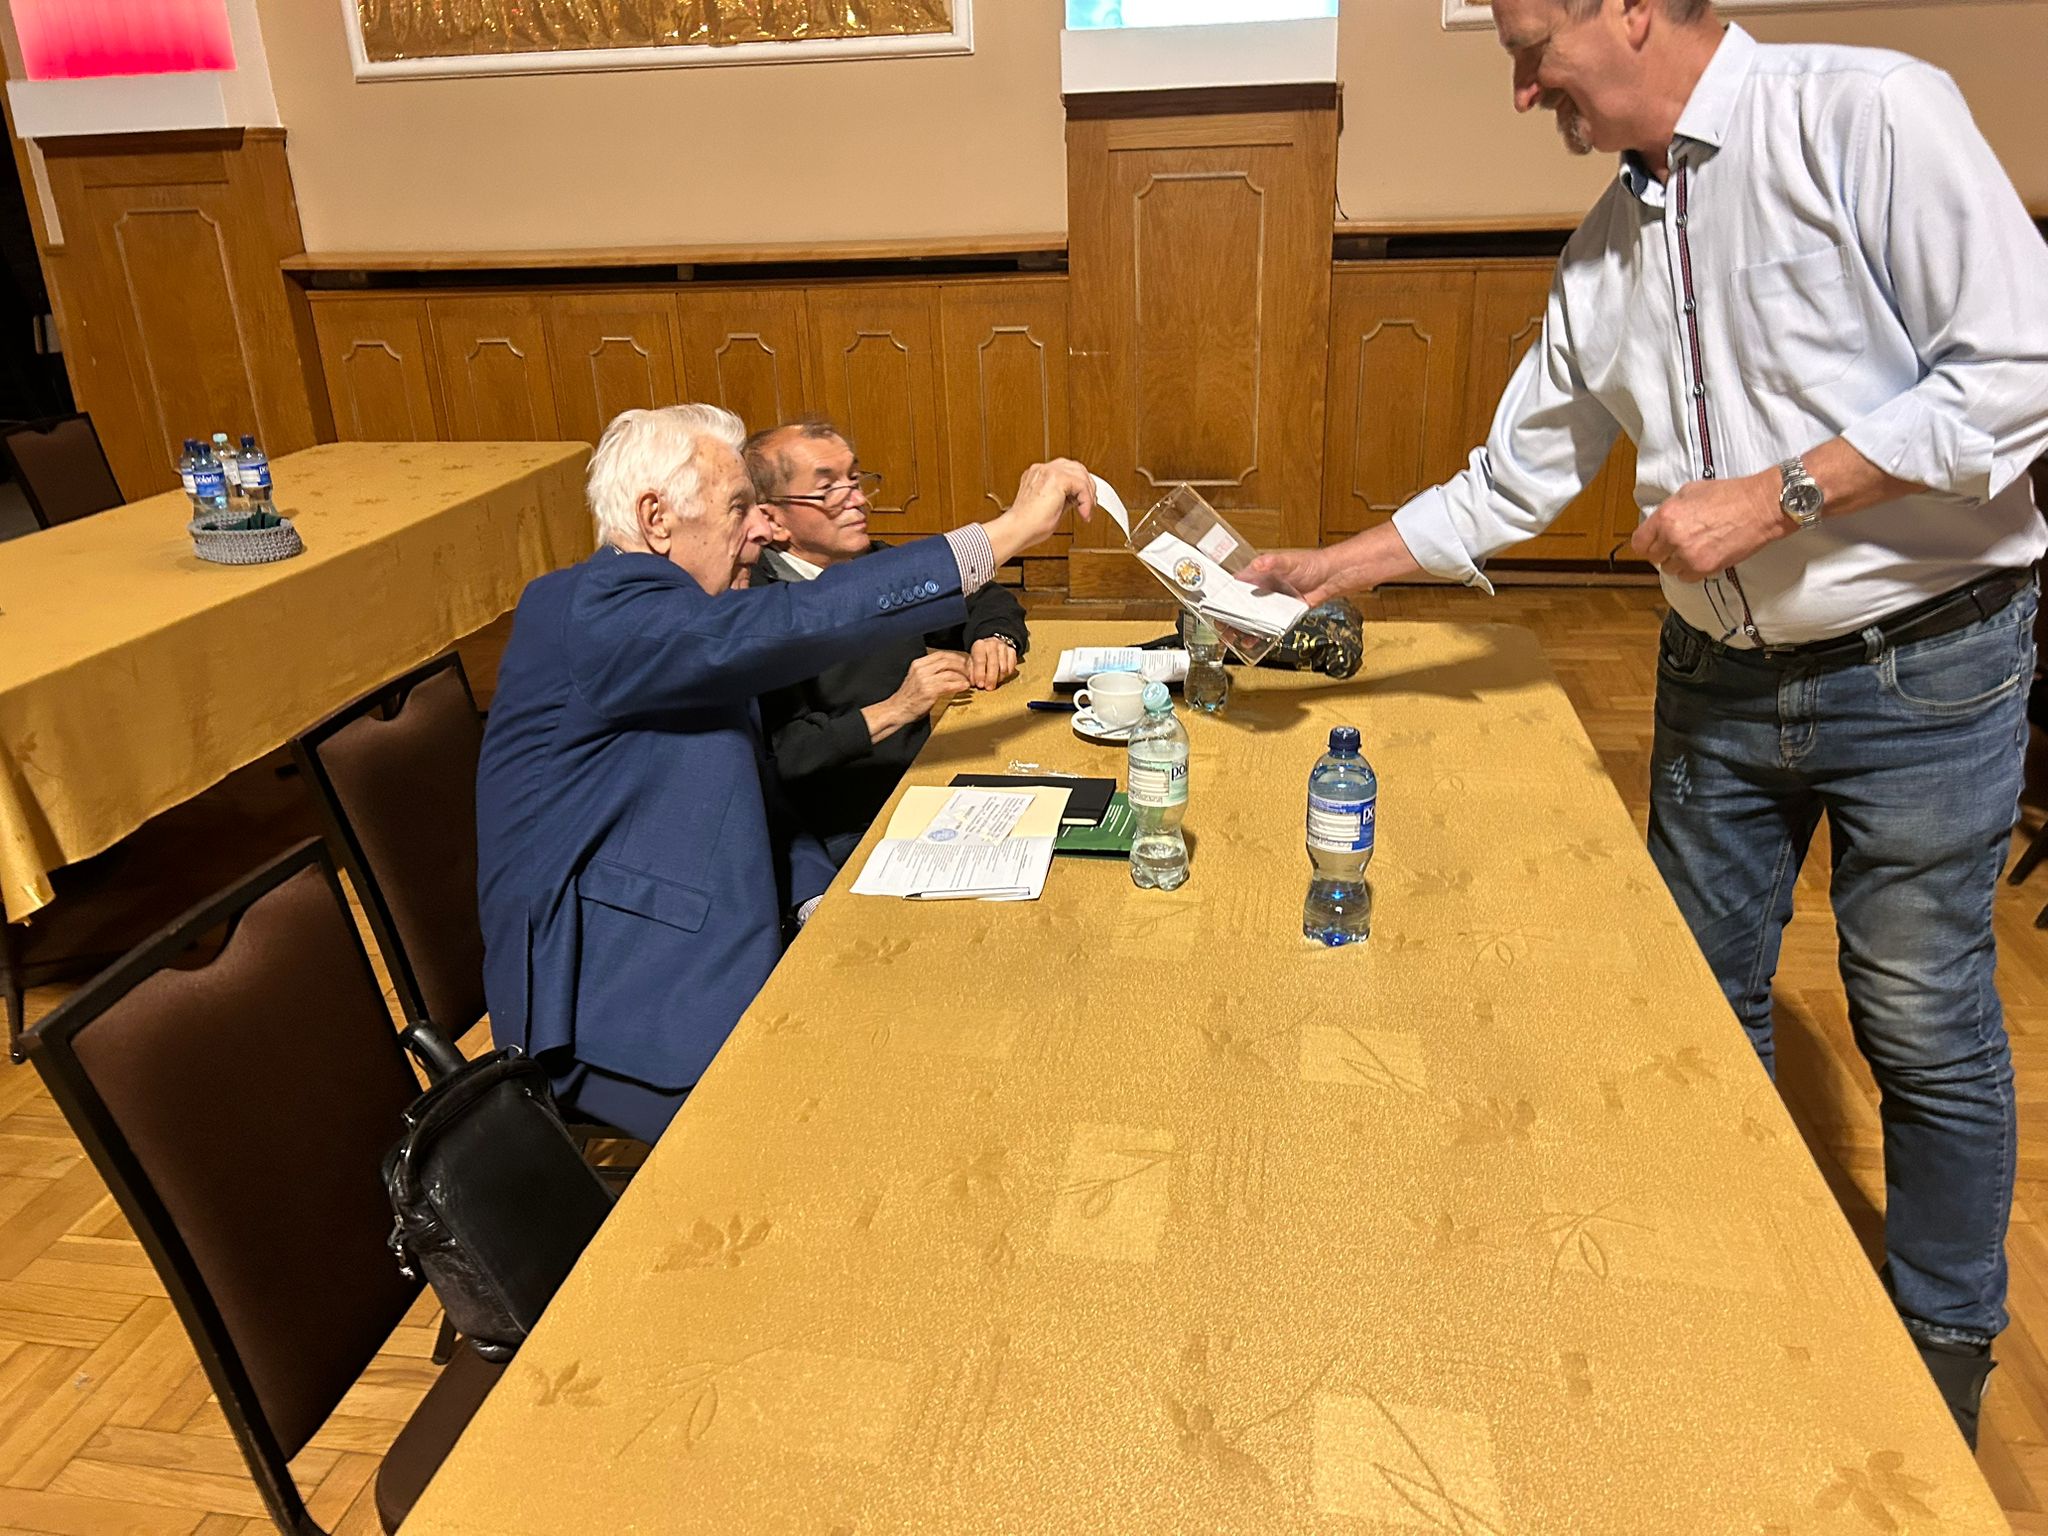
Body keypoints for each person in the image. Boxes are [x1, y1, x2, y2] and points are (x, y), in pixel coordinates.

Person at [1248, 0, 2048, 1447]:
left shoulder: (1868, 114)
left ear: (1626, 9)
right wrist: (1328, 568)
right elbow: (1513, 476)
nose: (1519, 89)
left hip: (1921, 671)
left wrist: (1779, 495)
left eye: (1527, 46)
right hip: (1717, 683)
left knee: (1918, 1020)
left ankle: (1943, 1341)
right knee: (1690, 1000)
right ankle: (1729, 1274)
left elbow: (2016, 374)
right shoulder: (1603, 251)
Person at [475, 403, 1094, 1142]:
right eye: (739, 509)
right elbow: (801, 620)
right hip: (621, 1004)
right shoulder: (590, 610)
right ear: (656, 519)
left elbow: (753, 795)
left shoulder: (684, 617)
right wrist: (1008, 532)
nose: (765, 531)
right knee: (882, 1119)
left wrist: (816, 899)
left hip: (727, 934)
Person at [747, 418, 1033, 866]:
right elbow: (785, 755)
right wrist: (898, 707)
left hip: (924, 781)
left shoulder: (872, 564)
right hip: (839, 829)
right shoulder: (757, 607)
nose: (858, 500)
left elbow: (981, 595)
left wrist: (994, 637)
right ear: (773, 520)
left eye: (855, 480)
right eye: (828, 489)